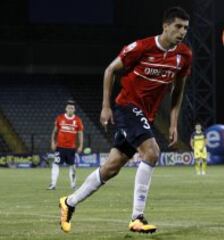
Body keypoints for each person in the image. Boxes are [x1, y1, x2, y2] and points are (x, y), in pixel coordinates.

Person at [58, 6, 191, 234]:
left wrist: (173, 122)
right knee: (152, 152)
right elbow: (110, 70)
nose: (182, 32)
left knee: (111, 167)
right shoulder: (141, 47)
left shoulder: (184, 56)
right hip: (127, 106)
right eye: (178, 26)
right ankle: (137, 217)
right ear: (165, 26)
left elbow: (178, 89)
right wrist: (106, 107)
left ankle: (69, 202)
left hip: (146, 115)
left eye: (186, 28)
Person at [48, 100, 84, 190]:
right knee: (56, 164)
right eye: (69, 108)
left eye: (72, 108)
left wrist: (80, 145)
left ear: (74, 109)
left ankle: (73, 185)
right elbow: (55, 131)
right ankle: (53, 184)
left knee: (72, 166)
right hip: (60, 147)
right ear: (66, 109)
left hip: (71, 148)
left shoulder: (78, 120)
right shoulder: (60, 118)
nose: (70, 109)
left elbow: (80, 134)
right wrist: (52, 142)